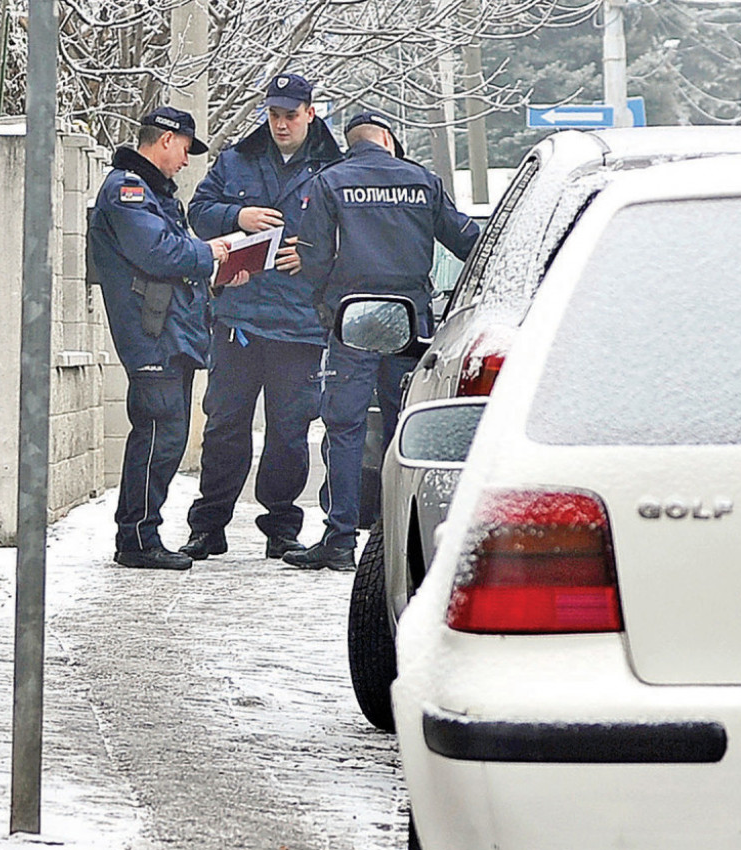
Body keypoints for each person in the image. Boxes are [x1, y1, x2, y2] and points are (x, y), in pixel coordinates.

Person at [286, 111, 480, 571]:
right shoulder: (422, 181)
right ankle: (398, 540)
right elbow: (468, 241)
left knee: (345, 427)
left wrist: (325, 297)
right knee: (405, 429)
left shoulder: (331, 182)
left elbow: (312, 258)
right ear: (389, 141)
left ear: (352, 145)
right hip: (409, 322)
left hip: (352, 319)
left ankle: (339, 540)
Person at [178, 74, 342, 562]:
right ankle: (209, 526)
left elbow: (352, 237)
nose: (281, 124)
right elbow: (199, 211)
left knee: (289, 431)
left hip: (300, 322)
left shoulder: (334, 167)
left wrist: (313, 258)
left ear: (311, 113)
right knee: (224, 425)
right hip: (239, 319)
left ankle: (282, 526)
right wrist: (239, 216)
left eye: (291, 115)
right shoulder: (237, 159)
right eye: (274, 114)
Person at [89, 107, 245, 570]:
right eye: (184, 150)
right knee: (159, 434)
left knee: (165, 436)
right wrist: (210, 252)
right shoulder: (128, 191)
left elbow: (170, 265)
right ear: (165, 140)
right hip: (151, 335)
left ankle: (141, 532)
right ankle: (137, 539)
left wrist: (218, 274)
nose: (185, 161)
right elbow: (157, 253)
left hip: (167, 331)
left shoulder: (151, 194)